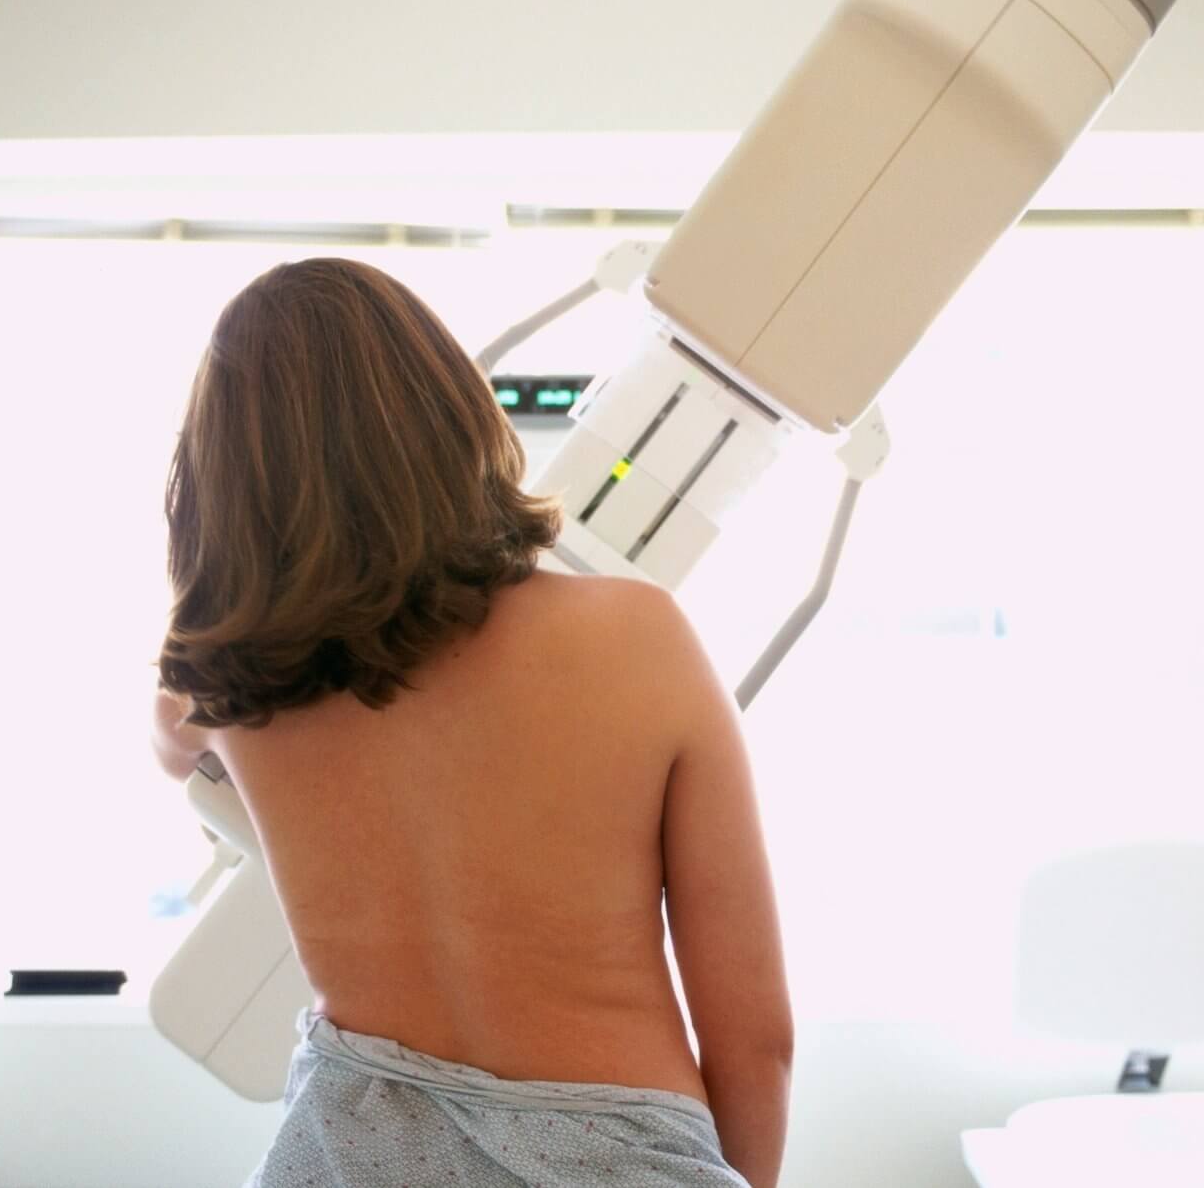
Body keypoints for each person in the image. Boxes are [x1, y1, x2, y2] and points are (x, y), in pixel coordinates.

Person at [151, 257, 792, 1187]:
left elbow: (172, 742)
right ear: (451, 412)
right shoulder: (639, 639)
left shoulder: (222, 689)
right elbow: (755, 1039)